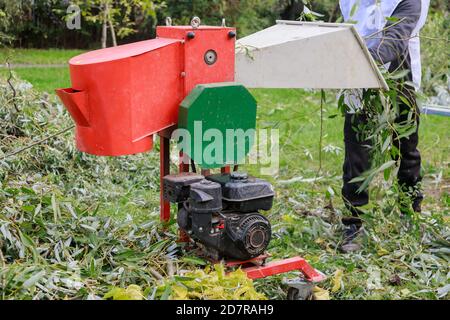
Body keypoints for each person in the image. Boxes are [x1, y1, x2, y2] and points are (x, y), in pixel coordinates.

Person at [338, 0, 430, 253]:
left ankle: (410, 212)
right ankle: (354, 221)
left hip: (401, 75)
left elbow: (396, 36)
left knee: (406, 147)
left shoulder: (411, 1)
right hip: (359, 78)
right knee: (357, 150)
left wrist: (370, 61)